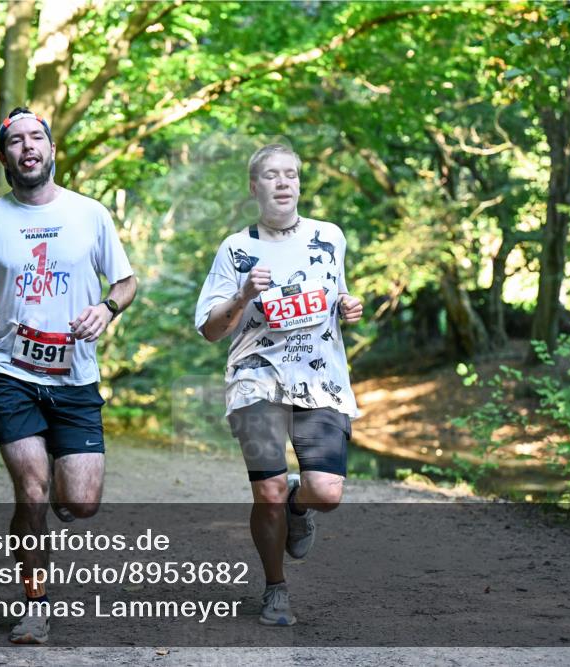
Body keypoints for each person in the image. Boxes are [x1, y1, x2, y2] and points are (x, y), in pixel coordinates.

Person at [0, 107, 137, 644]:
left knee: (80, 502)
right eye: (15, 141)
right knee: (30, 489)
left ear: (50, 150)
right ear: (4, 156)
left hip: (74, 374)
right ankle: (34, 603)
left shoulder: (89, 214)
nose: (28, 147)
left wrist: (107, 309)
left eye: (36, 138)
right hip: (11, 370)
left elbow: (125, 282)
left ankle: (58, 497)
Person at [195, 144, 363, 627]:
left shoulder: (330, 236)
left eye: (291, 174)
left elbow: (336, 297)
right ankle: (275, 588)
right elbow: (210, 329)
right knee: (264, 492)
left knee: (326, 493)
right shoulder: (236, 249)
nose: (283, 182)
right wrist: (245, 294)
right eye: (272, 175)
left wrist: (348, 307)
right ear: (255, 187)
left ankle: (299, 502)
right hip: (256, 380)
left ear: (299, 184)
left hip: (320, 379)